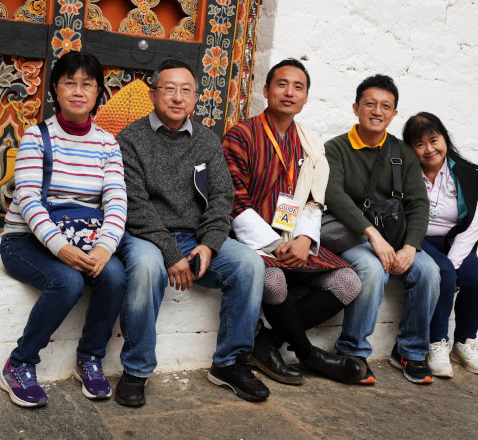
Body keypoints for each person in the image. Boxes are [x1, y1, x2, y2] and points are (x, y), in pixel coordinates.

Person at [115, 58, 269, 407]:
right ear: (154, 94)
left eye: (186, 90)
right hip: (147, 236)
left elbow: (222, 199)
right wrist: (171, 254)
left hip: (196, 236)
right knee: (145, 268)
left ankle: (230, 363)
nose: (177, 97)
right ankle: (136, 369)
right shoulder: (131, 139)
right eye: (169, 89)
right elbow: (136, 206)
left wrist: (210, 245)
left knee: (249, 264)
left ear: (196, 98)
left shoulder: (206, 140)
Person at [223, 58, 365, 386]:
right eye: (282, 84)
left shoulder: (310, 145)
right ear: (266, 90)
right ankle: (308, 353)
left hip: (292, 235)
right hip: (249, 240)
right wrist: (277, 245)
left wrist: (302, 241)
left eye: (298, 87)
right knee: (273, 282)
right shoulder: (241, 135)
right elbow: (235, 203)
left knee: (348, 282)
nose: (289, 92)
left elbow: (313, 201)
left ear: (305, 98)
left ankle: (268, 342)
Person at [0, 52, 127, 407]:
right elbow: (27, 199)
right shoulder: (36, 137)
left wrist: (104, 248)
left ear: (97, 92)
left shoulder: (107, 144)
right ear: (55, 89)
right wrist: (61, 249)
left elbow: (117, 200)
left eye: (87, 84)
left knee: (114, 275)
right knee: (68, 280)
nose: (78, 91)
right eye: (70, 82)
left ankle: (90, 357)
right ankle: (20, 363)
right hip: (24, 239)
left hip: (84, 237)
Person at [324, 74, 440, 385]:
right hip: (354, 235)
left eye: (385, 106)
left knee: (428, 271)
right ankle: (353, 352)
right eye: (370, 104)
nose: (377, 111)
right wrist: (372, 235)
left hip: (395, 239)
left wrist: (410, 247)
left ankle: (411, 351)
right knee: (373, 269)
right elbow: (333, 195)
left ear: (394, 114)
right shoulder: (335, 148)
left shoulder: (402, 152)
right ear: (356, 107)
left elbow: (418, 204)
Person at [402, 112, 478, 377]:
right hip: (418, 238)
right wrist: (448, 269)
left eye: (434, 140)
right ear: (411, 149)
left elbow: (472, 224)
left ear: (445, 139)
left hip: (454, 240)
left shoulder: (464, 172)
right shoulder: (406, 174)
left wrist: (453, 262)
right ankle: (436, 342)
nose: (429, 149)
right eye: (420, 144)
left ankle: (464, 342)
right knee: (442, 272)